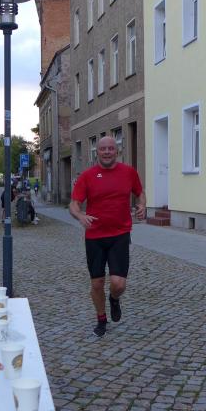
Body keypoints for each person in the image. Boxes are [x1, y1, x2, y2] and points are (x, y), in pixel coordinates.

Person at [69, 136, 146, 337]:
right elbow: (74, 204)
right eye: (103, 149)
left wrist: (142, 205)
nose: (107, 152)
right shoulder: (87, 176)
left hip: (120, 234)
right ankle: (101, 318)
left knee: (118, 284)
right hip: (95, 237)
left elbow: (140, 192)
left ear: (117, 151)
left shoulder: (129, 172)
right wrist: (80, 215)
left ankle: (114, 299)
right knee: (96, 283)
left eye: (111, 148)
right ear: (97, 152)